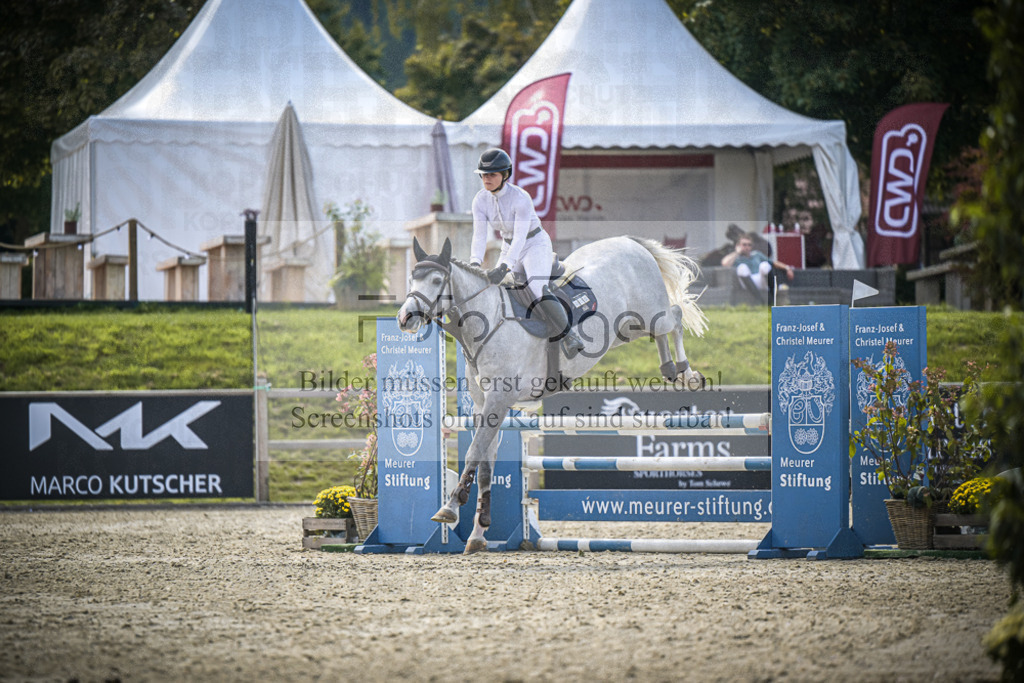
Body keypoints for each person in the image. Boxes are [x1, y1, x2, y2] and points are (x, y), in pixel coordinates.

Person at [469, 148, 584, 358]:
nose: (487, 179)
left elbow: (521, 237)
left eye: (492, 174)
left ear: (505, 175)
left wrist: (505, 266)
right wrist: (475, 263)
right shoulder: (479, 200)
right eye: (484, 175)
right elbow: (479, 235)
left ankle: (569, 336)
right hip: (507, 245)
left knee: (536, 286)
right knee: (496, 288)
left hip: (534, 244)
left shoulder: (521, 198)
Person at [721, 232, 794, 296]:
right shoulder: (736, 258)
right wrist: (737, 252)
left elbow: (773, 263)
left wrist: (787, 268)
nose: (747, 247)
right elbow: (725, 263)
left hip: (760, 280)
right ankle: (760, 301)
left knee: (764, 265)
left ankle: (773, 295)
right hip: (747, 282)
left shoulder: (756, 254)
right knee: (742, 267)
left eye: (749, 245)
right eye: (744, 245)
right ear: (739, 246)